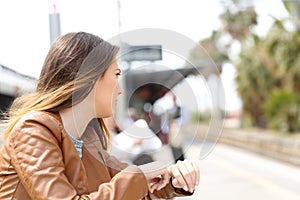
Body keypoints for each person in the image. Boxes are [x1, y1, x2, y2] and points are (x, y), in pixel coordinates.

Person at [0, 32, 199, 199]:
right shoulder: (32, 131)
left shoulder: (88, 137)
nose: (120, 90)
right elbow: (129, 184)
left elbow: (131, 191)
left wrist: (173, 179)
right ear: (91, 78)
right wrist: (138, 176)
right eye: (116, 75)